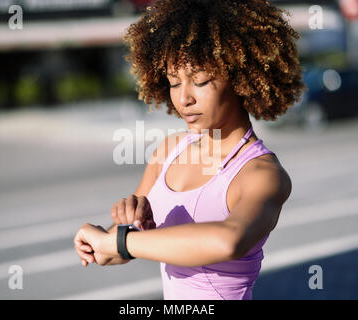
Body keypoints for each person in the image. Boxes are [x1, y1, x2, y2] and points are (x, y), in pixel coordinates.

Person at [74, 0, 305, 300]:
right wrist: (107, 236)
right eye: (173, 83)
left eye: (200, 81)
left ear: (240, 78)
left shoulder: (261, 174)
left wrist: (120, 242)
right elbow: (115, 251)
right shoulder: (168, 151)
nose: (184, 99)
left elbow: (229, 240)